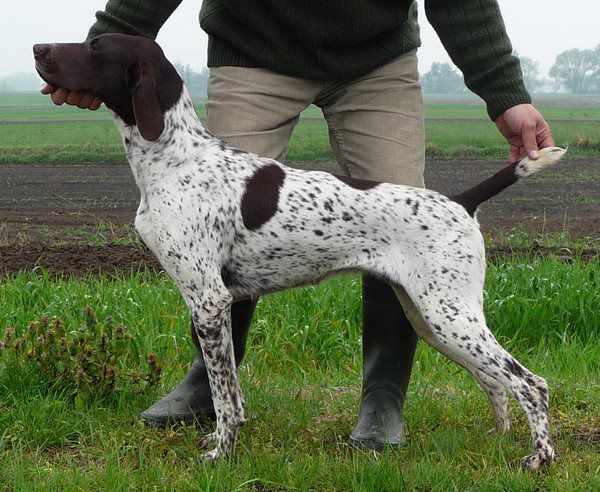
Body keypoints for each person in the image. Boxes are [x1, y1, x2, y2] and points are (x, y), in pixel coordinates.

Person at [42, 0, 555, 450]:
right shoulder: (175, 188)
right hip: (253, 48)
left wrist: (505, 92)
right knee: (216, 262)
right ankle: (210, 387)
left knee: (423, 262)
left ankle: (383, 399)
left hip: (377, 57)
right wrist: (95, 53)